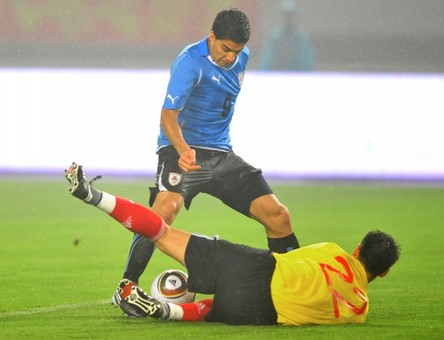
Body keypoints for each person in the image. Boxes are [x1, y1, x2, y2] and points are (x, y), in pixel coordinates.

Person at [113, 8, 300, 314]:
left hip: (222, 157)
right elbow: (167, 116)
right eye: (225, 49)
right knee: (163, 212)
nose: (230, 57)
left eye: (236, 51)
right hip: (180, 152)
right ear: (211, 37)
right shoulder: (189, 63)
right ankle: (126, 287)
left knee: (277, 215)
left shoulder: (243, 57)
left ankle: (294, 286)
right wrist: (184, 149)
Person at [65, 163, 401, 325]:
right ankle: (167, 310)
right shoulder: (359, 311)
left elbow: (293, 258)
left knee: (162, 232)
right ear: (383, 273)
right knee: (215, 310)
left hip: (255, 267)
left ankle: (93, 196)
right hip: (264, 311)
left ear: (356, 249)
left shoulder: (333, 250)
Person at [259, 0, 315, 71]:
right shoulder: (275, 37)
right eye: (286, 15)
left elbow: (307, 60)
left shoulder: (301, 38)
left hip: (296, 76)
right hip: (277, 76)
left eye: (290, 15)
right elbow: (267, 59)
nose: (288, 18)